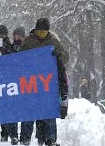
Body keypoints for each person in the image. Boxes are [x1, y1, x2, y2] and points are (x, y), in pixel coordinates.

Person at [20, 18, 69, 146]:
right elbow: (19, 59)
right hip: (31, 82)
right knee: (29, 113)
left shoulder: (53, 41)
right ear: (35, 30)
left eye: (44, 31)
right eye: (40, 30)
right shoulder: (29, 41)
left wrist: (58, 54)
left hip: (48, 83)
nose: (42, 33)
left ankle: (50, 139)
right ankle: (25, 139)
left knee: (49, 112)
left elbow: (65, 58)